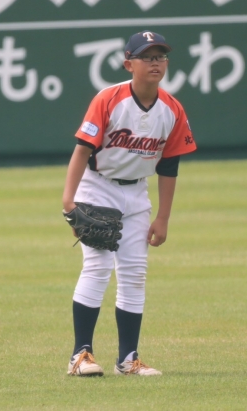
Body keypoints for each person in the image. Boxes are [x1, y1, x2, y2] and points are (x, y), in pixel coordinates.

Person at [62, 31, 197, 377]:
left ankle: (128, 359)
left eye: (161, 56)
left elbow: (169, 166)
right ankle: (80, 355)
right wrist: (69, 201)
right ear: (128, 64)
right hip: (98, 187)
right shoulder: (109, 99)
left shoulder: (172, 109)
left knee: (135, 273)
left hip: (137, 191)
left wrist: (163, 217)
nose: (155, 63)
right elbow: (82, 150)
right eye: (147, 57)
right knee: (97, 267)